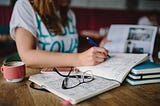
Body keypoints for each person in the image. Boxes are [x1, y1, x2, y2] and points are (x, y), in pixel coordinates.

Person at [9, 0, 108, 69]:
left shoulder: (69, 14)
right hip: (40, 78)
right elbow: (28, 57)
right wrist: (79, 59)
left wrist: (97, 51)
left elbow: (70, 50)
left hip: (71, 74)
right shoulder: (24, 6)